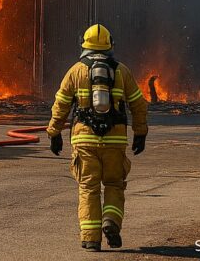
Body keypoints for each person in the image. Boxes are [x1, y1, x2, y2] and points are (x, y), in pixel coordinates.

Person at [46, 24, 148, 251]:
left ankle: (91, 239)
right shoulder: (122, 71)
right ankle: (111, 220)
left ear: (84, 44)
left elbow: (61, 104)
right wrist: (140, 133)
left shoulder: (76, 71)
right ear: (110, 45)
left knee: (88, 188)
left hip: (85, 141)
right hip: (115, 140)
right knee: (114, 184)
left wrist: (54, 132)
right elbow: (138, 104)